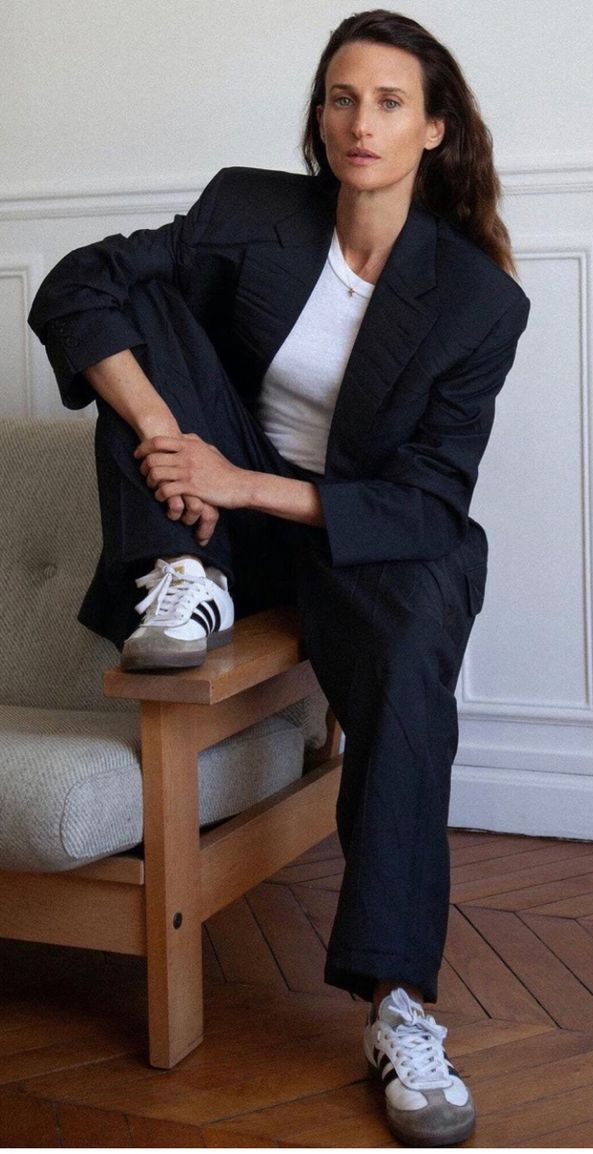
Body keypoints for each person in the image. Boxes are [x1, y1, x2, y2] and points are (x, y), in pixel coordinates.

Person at [28, 8, 530, 1146]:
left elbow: (423, 498)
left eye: (390, 101)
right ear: (320, 117)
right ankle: (185, 575)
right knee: (131, 294)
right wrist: (171, 440)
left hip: (379, 535)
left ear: (435, 130)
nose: (361, 122)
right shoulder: (250, 210)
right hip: (222, 512)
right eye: (341, 97)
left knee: (406, 676)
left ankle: (397, 1002)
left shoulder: (476, 299)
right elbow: (72, 287)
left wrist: (238, 485)